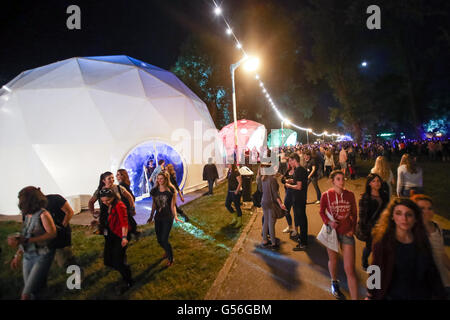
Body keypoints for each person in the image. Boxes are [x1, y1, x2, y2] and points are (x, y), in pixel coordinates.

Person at [367, 198, 446, 300]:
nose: (404, 218)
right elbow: (375, 270)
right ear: (392, 217)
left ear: (415, 218)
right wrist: (370, 295)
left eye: (409, 214)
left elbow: (431, 270)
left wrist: (440, 293)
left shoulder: (421, 239)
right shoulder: (383, 242)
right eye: (399, 213)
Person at [9, 187, 57, 300]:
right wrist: (18, 254)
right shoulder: (27, 215)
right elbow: (25, 235)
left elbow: (52, 234)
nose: (19, 201)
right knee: (36, 291)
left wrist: (28, 241)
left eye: (21, 198)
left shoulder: (43, 214)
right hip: (28, 255)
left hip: (43, 255)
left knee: (26, 294)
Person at [318, 170, 358, 300]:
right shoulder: (326, 195)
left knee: (350, 268)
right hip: (332, 233)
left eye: (343, 179)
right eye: (339, 179)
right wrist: (328, 222)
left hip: (347, 232)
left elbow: (354, 213)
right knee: (333, 260)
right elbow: (321, 212)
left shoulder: (350, 195)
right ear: (333, 181)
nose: (342, 181)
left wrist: (352, 228)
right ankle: (334, 281)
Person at [411, 193, 450, 297]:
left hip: (444, 281)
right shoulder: (411, 232)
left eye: (430, 208)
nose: (427, 212)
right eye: (422, 208)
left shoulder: (437, 226)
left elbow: (441, 253)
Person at [98, 189, 134, 293]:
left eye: (107, 200)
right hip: (111, 234)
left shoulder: (119, 205)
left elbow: (124, 223)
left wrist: (124, 237)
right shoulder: (108, 205)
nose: (105, 203)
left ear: (113, 197)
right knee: (108, 260)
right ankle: (124, 270)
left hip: (120, 235)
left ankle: (128, 280)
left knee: (118, 261)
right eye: (103, 201)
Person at [147, 172, 184, 266]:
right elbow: (154, 204)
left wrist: (175, 216)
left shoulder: (171, 190)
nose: (159, 180)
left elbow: (173, 206)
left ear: (166, 179)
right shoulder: (154, 190)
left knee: (164, 239)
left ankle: (170, 258)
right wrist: (151, 216)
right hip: (158, 217)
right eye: (158, 178)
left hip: (167, 218)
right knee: (159, 240)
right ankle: (167, 251)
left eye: (161, 178)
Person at [357, 173, 389, 270]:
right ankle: (364, 260)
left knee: (380, 248)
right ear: (369, 184)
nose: (377, 183)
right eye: (373, 181)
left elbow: (387, 211)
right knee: (370, 247)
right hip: (370, 228)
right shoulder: (365, 198)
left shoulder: (384, 195)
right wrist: (365, 231)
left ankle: (378, 265)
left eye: (378, 181)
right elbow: (362, 216)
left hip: (382, 226)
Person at [259, 163, 286, 249]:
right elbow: (275, 194)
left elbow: (260, 189)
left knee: (266, 221)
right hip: (271, 203)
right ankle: (273, 243)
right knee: (271, 223)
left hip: (264, 201)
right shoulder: (272, 179)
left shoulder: (262, 178)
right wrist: (281, 204)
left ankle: (265, 240)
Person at [45, 193, 77, 268]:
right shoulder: (32, 205)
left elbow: (70, 212)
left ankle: (74, 270)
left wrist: (62, 227)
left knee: (64, 261)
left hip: (61, 233)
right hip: (47, 236)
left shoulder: (55, 199)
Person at [285, 153, 308, 251]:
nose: (290, 163)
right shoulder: (301, 170)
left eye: (290, 160)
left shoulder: (299, 170)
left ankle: (303, 243)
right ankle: (302, 238)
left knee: (302, 219)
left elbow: (299, 187)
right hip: (301, 197)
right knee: (302, 218)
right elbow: (299, 182)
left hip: (299, 198)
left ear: (294, 160)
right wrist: (292, 181)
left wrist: (289, 186)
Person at [116, 169, 140, 239]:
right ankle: (132, 233)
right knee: (129, 220)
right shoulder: (124, 183)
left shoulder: (122, 185)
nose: (118, 176)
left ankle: (132, 233)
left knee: (129, 220)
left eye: (120, 174)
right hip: (126, 205)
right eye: (117, 175)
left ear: (124, 176)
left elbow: (129, 196)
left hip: (126, 205)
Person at [280, 162, 297, 237]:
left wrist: (292, 181)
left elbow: (299, 181)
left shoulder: (297, 171)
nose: (290, 163)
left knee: (295, 211)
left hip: (295, 193)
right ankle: (290, 226)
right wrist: (286, 181)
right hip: (288, 192)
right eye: (289, 161)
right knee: (286, 210)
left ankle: (296, 230)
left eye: (291, 161)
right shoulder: (288, 170)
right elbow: (282, 180)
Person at [225, 163, 243, 228]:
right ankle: (235, 218)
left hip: (235, 192)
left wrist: (237, 191)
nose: (227, 165)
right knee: (227, 204)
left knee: (237, 206)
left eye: (229, 164)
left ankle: (239, 221)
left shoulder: (236, 172)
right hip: (230, 191)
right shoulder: (229, 172)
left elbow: (240, 182)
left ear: (232, 164)